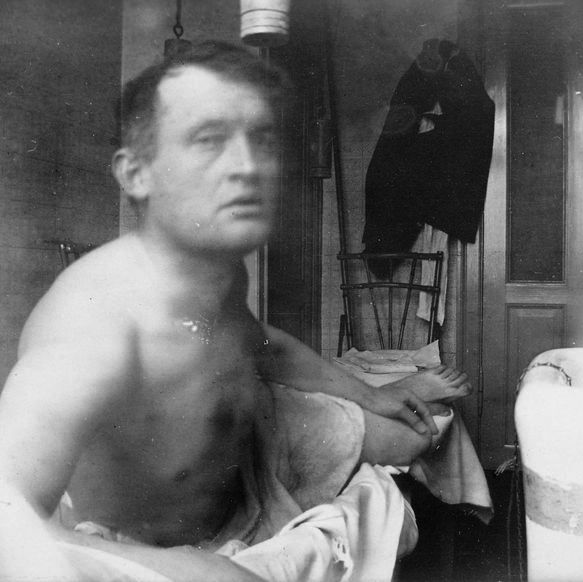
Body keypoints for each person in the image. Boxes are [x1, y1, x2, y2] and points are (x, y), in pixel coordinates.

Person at [0, 42, 471, 581]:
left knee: (418, 433)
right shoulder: (92, 322)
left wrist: (373, 394)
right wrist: (193, 570)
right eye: (209, 140)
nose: (248, 167)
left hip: (250, 457)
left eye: (262, 139)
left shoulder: (221, 273)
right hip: (157, 538)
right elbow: (6, 515)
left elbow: (262, 345)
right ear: (136, 174)